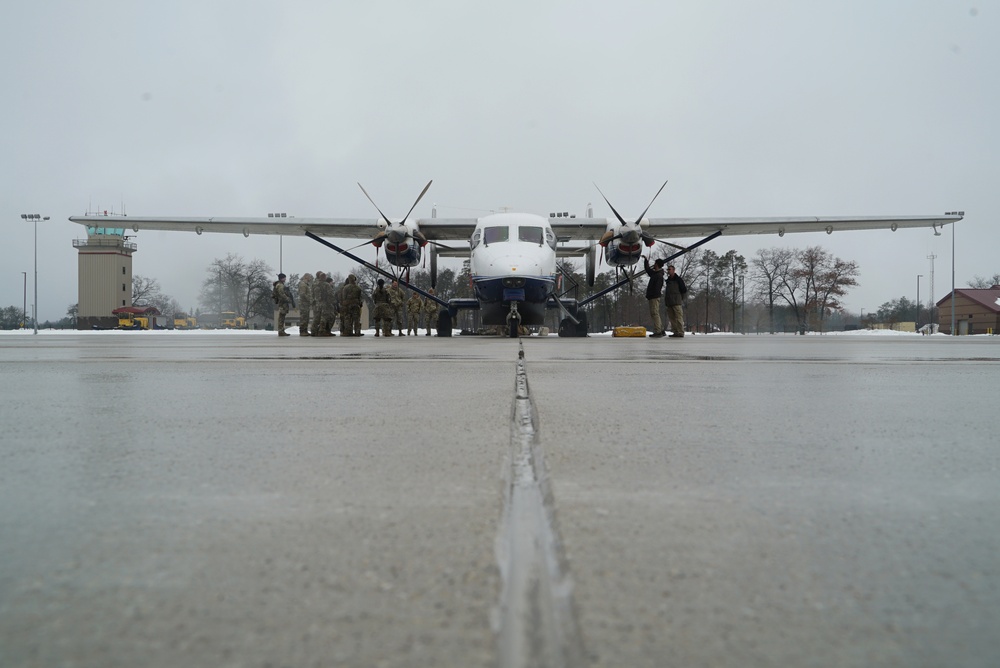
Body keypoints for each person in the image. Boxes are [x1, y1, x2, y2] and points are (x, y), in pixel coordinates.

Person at [643, 257, 666, 337]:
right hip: (653, 296)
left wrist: (651, 295)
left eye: (655, 263)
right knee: (655, 313)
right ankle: (661, 329)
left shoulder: (658, 276)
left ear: (657, 265)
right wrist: (646, 261)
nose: (654, 265)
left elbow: (657, 288)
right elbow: (648, 270)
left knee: (654, 313)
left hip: (654, 297)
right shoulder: (655, 274)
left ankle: (658, 330)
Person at [664, 264, 687, 337]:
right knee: (672, 318)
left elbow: (684, 290)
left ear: (673, 270)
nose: (668, 271)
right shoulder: (668, 281)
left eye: (670, 269)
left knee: (679, 317)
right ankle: (675, 331)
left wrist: (680, 298)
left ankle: (680, 331)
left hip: (676, 302)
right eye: (668, 270)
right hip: (669, 302)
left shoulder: (678, 280)